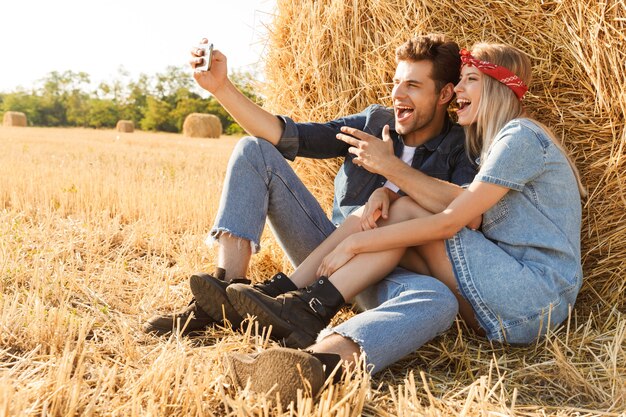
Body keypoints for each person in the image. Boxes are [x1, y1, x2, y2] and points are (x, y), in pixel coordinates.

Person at [224, 42, 585, 405]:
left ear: (493, 86)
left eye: (469, 80)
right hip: (500, 291)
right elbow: (290, 135)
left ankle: (306, 305)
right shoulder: (391, 126)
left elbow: (459, 218)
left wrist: (359, 239)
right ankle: (313, 351)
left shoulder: (504, 140)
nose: (459, 90)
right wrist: (387, 197)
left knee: (419, 253)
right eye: (397, 82)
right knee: (394, 211)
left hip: (531, 294)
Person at [142, 33, 476, 338]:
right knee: (254, 149)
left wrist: (390, 169)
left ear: (445, 93)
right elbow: (285, 135)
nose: (397, 94)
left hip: (388, 272)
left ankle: (306, 312)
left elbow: (464, 210)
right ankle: (225, 294)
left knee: (433, 297)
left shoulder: (462, 146)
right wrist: (221, 88)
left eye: (413, 86)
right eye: (396, 81)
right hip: (327, 252)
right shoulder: (374, 123)